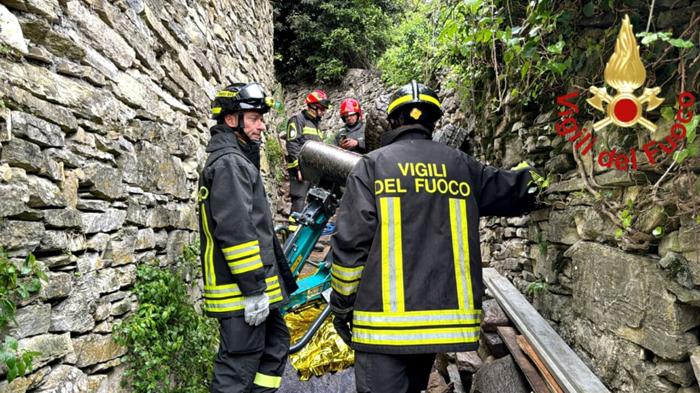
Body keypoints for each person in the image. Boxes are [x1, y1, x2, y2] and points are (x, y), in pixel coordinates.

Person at [329, 81, 538, 393]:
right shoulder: (461, 165)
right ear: (433, 121)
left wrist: (342, 307)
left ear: (393, 121)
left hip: (382, 329)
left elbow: (350, 244)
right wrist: (543, 180)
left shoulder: (373, 166)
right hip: (437, 327)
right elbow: (513, 189)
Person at [199, 82, 298, 393]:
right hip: (241, 292)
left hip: (255, 289)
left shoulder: (238, 160)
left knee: (274, 345)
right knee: (237, 369)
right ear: (232, 120)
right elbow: (237, 233)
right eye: (255, 118)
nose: (262, 125)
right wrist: (254, 291)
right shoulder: (229, 163)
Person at [285, 89, 330, 214]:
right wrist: (298, 168)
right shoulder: (297, 120)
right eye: (322, 109)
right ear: (313, 107)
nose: (324, 112)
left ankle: (303, 231)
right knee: (299, 200)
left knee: (311, 201)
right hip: (300, 169)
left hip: (313, 170)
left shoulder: (316, 124)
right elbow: (292, 143)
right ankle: (292, 231)